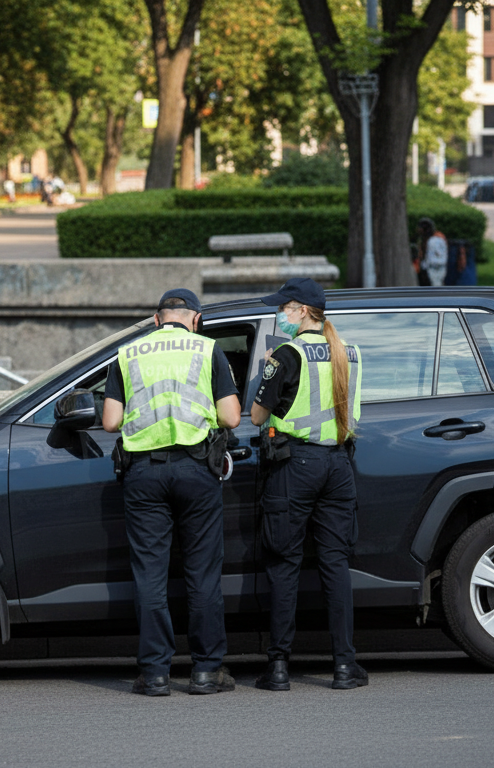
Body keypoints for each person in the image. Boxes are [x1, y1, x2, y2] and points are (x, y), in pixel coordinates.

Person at [101, 289, 242, 697]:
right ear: (194, 319)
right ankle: (206, 671)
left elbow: (111, 422)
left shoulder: (129, 354)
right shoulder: (208, 350)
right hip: (196, 471)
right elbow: (231, 415)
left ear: (157, 318)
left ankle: (156, 674)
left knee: (150, 575)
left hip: (144, 474)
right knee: (202, 573)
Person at [250, 277, 367, 692]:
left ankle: (279, 667)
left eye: (284, 308)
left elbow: (257, 417)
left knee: (285, 565)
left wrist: (268, 369)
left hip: (295, 466)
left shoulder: (285, 354)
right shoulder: (349, 352)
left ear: (301, 310)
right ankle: (344, 667)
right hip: (339, 466)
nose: (280, 315)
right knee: (335, 566)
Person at [413, 217, 448, 287]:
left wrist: (425, 266)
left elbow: (433, 258)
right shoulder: (436, 239)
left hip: (433, 269)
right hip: (436, 268)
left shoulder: (434, 241)